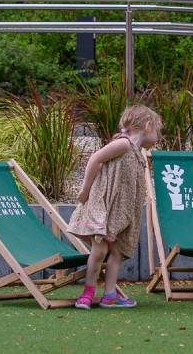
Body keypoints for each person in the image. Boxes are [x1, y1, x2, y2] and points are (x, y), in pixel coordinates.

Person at [68, 104, 163, 309]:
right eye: (157, 129)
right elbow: (95, 159)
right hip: (107, 206)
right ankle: (88, 293)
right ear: (147, 125)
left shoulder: (138, 154)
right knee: (100, 249)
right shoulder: (123, 145)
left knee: (118, 252)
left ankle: (110, 294)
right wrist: (85, 190)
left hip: (123, 211)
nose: (158, 135)